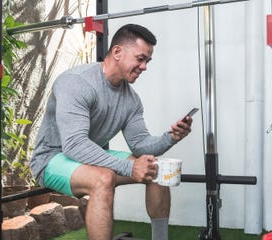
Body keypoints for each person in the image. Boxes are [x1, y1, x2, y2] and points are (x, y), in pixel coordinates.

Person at [31, 23, 193, 240]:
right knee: (103, 179)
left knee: (155, 169)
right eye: (140, 58)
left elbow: (140, 145)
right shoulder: (76, 82)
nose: (144, 66)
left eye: (147, 61)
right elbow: (74, 144)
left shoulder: (131, 99)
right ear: (117, 52)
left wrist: (172, 137)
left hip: (89, 156)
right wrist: (129, 167)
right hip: (52, 159)